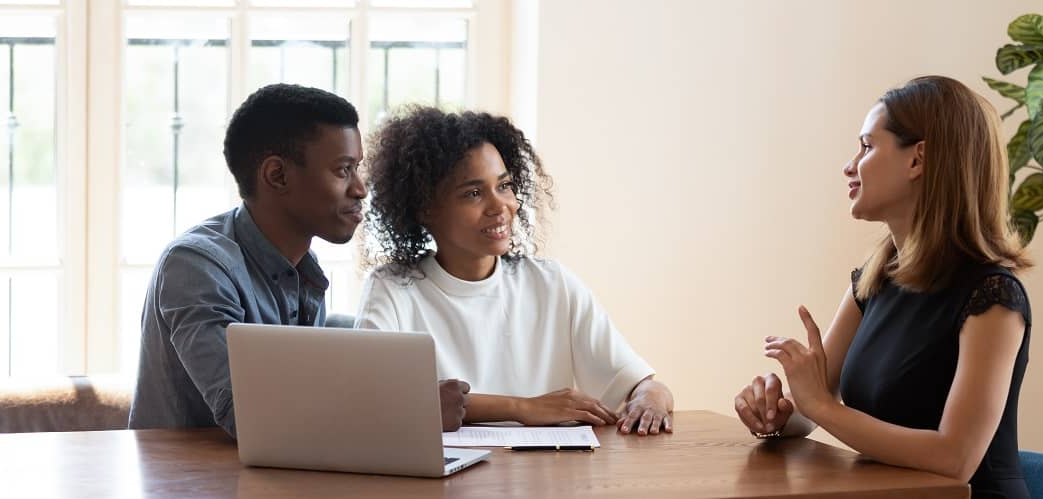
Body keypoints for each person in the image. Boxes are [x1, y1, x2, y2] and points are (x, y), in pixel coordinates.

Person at [733, 76, 1033, 498]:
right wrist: (778, 413)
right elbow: (811, 411)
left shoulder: (994, 297)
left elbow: (956, 458)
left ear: (918, 160)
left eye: (867, 146)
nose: (849, 165)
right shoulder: (875, 279)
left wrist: (820, 405)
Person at [128, 84, 469, 437]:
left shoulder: (302, 269)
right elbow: (249, 414)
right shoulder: (196, 265)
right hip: (187, 485)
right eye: (343, 170)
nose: (361, 188)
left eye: (358, 168)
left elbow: (300, 395)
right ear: (277, 175)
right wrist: (410, 410)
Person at [357, 106, 674, 435]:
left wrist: (648, 398)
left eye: (505, 186)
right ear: (425, 208)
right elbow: (374, 400)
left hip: (546, 477)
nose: (500, 207)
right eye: (474, 193)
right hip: (445, 482)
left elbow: (646, 386)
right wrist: (523, 408)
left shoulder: (551, 284)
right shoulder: (392, 289)